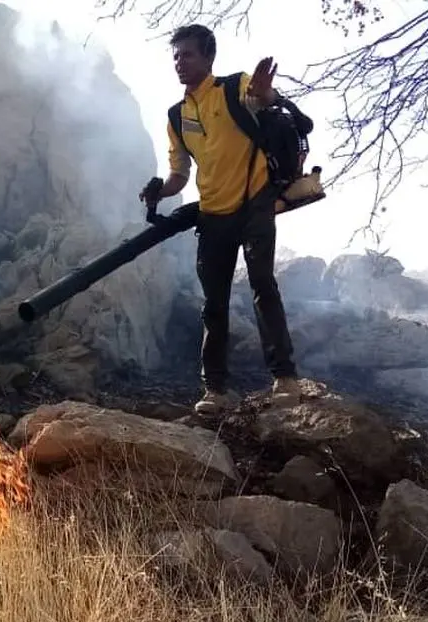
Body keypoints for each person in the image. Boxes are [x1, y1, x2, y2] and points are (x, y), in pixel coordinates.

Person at [141, 23, 302, 415]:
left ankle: (285, 378)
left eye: (188, 55)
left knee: (263, 283)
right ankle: (215, 390)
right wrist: (160, 190)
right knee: (213, 303)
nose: (180, 63)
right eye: (176, 56)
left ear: (208, 58)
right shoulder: (176, 116)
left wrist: (265, 91)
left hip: (254, 202)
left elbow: (264, 97)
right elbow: (180, 175)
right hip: (212, 214)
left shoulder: (233, 88)